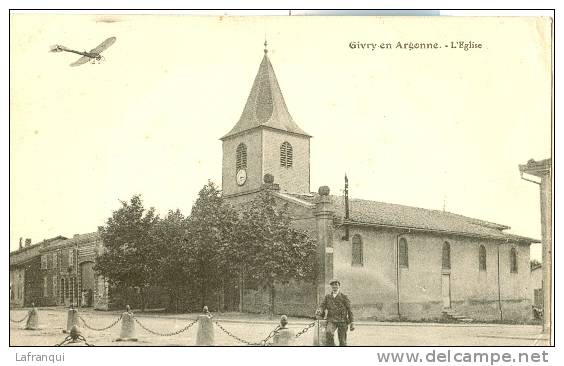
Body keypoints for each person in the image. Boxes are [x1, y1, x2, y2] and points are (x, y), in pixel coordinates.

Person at [316, 279, 355, 346]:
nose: (334, 286)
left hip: (342, 321)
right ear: (331, 286)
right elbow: (322, 306)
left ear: (339, 286)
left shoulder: (344, 296)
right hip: (332, 320)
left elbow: (350, 309)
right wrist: (320, 310)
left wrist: (352, 322)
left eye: (336, 285)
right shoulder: (328, 297)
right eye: (333, 285)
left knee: (342, 340)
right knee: (329, 333)